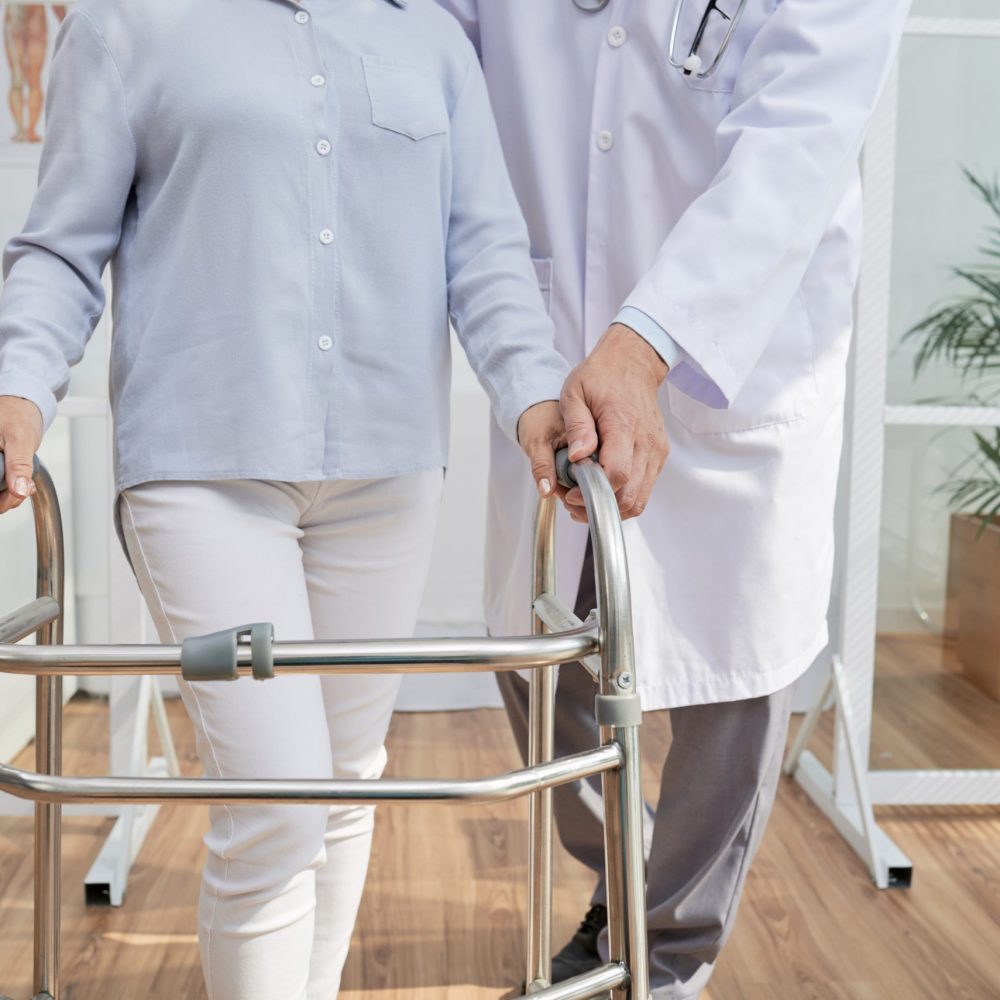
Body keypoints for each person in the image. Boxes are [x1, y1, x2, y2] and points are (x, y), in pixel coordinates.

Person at [0, 1, 570, 997]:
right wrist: (17, 386)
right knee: (277, 802)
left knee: (344, 781)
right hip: (200, 470)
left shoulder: (429, 40)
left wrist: (531, 391)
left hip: (386, 471)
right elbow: (58, 248)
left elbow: (483, 252)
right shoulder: (129, 23)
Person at [435, 1, 912, 997]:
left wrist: (650, 337)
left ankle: (670, 954)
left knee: (736, 676)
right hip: (555, 315)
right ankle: (620, 882)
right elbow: (436, 43)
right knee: (536, 656)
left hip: (736, 339)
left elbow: (800, 137)